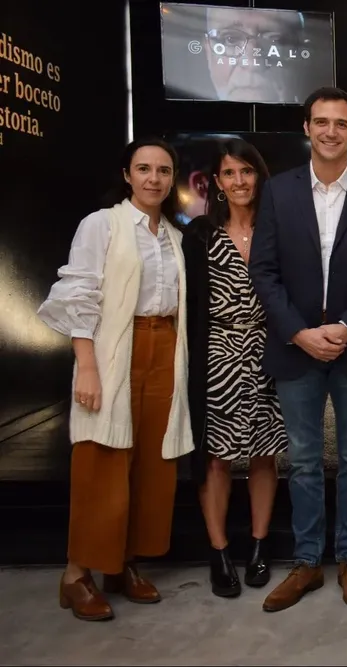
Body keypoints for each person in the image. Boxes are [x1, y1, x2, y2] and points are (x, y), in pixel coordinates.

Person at [248, 87, 347, 612]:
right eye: (321, 122)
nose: (331, 131)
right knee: (305, 459)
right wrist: (299, 332)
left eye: (341, 123)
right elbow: (264, 272)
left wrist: (345, 327)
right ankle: (307, 561)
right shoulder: (278, 192)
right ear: (307, 128)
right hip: (296, 347)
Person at [37, 137, 194, 621]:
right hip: (114, 353)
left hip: (164, 348)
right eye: (143, 169)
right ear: (127, 175)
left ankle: (121, 564)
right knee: (102, 461)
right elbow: (77, 293)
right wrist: (86, 364)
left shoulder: (173, 235)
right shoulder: (102, 224)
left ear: (172, 180)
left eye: (163, 171)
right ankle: (76, 574)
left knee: (149, 462)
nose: (153, 178)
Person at [182, 138, 288, 598]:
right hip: (218, 355)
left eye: (247, 171)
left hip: (271, 352)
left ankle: (260, 546)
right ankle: (219, 550)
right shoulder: (200, 234)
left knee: (266, 453)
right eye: (230, 173)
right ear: (218, 182)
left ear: (259, 176)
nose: (239, 181)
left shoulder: (278, 229)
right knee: (217, 457)